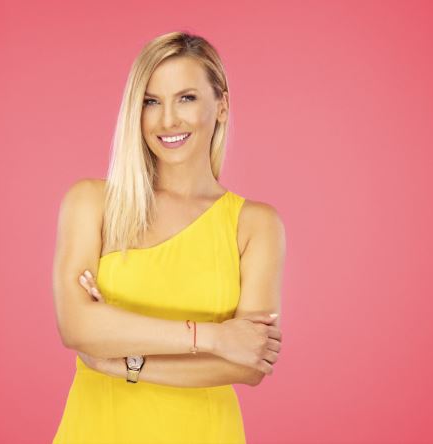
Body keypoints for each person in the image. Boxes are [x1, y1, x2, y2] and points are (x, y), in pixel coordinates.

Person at [52, 31, 285, 444]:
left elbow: (248, 363)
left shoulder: (255, 224)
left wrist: (121, 362)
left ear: (222, 106)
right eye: (151, 101)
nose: (167, 120)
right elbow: (76, 325)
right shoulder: (92, 202)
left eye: (187, 98)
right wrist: (214, 337)